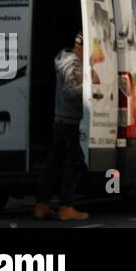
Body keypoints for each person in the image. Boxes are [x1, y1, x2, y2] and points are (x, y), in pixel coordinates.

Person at [34, 32, 89, 221]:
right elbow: (69, 93)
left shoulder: (63, 58)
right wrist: (91, 86)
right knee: (72, 164)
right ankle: (66, 207)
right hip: (71, 122)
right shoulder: (73, 64)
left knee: (54, 164)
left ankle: (42, 204)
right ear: (80, 47)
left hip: (60, 120)